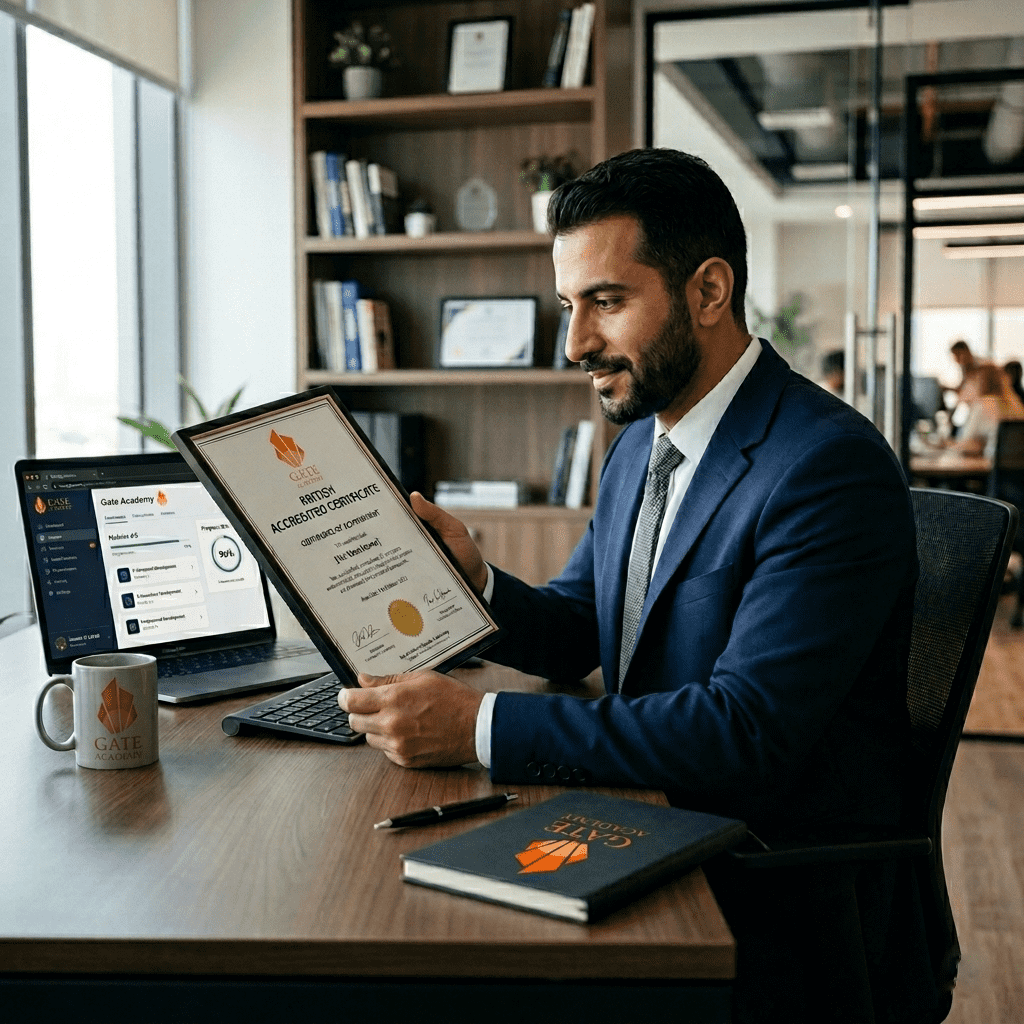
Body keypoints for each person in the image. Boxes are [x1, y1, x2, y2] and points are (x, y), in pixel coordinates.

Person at [340, 149, 930, 1021]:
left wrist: (480, 724)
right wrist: (480, 584)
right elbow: (586, 624)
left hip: (765, 885)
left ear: (709, 291)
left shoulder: (826, 466)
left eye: (607, 303)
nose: (577, 343)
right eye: (570, 307)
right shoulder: (640, 448)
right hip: (647, 817)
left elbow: (744, 732)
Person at [950, 361, 1024, 459]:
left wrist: (948, 447)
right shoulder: (1016, 402)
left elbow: (967, 445)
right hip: (1016, 469)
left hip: (990, 467)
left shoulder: (982, 405)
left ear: (981, 382)